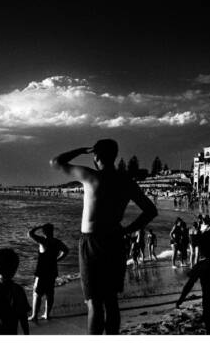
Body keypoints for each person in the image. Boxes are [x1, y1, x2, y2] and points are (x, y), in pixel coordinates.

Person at [51, 139, 158, 334]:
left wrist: (82, 149)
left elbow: (56, 162)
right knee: (110, 301)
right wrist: (127, 230)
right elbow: (151, 211)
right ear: (115, 156)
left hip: (92, 242)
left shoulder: (90, 176)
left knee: (94, 303)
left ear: (96, 156)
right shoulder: (126, 182)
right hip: (115, 240)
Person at [27, 223, 69, 321]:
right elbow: (66, 251)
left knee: (37, 293)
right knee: (49, 293)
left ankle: (34, 316)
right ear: (52, 231)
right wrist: (57, 259)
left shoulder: (43, 241)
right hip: (52, 270)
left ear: (44, 231)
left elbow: (30, 233)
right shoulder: (57, 242)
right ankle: (47, 314)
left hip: (42, 270)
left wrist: (39, 226)